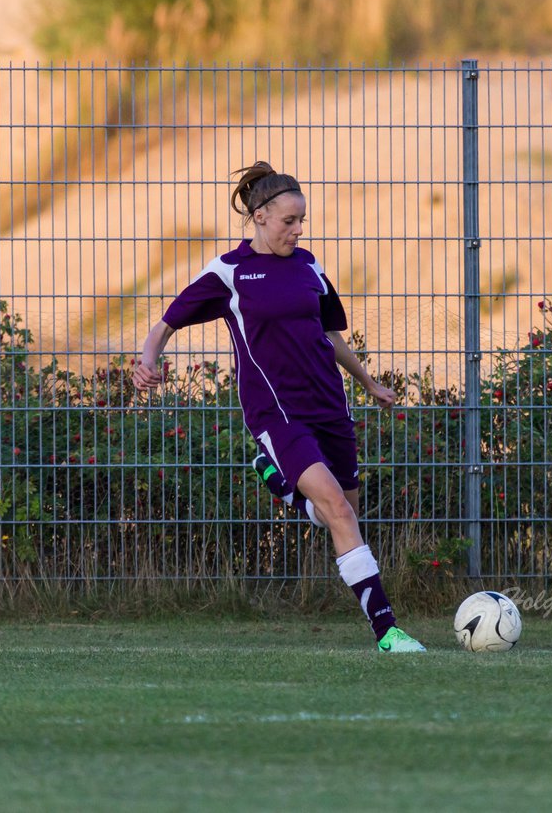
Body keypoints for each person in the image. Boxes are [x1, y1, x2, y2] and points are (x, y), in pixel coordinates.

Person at [132, 161, 426, 653]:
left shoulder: (311, 266)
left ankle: (290, 493)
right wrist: (147, 362)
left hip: (329, 404)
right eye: (289, 220)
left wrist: (370, 384)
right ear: (261, 216)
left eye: (302, 220)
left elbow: (328, 335)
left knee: (343, 513)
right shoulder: (228, 271)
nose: (298, 229)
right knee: (338, 511)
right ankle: (387, 631)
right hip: (276, 410)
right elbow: (165, 324)